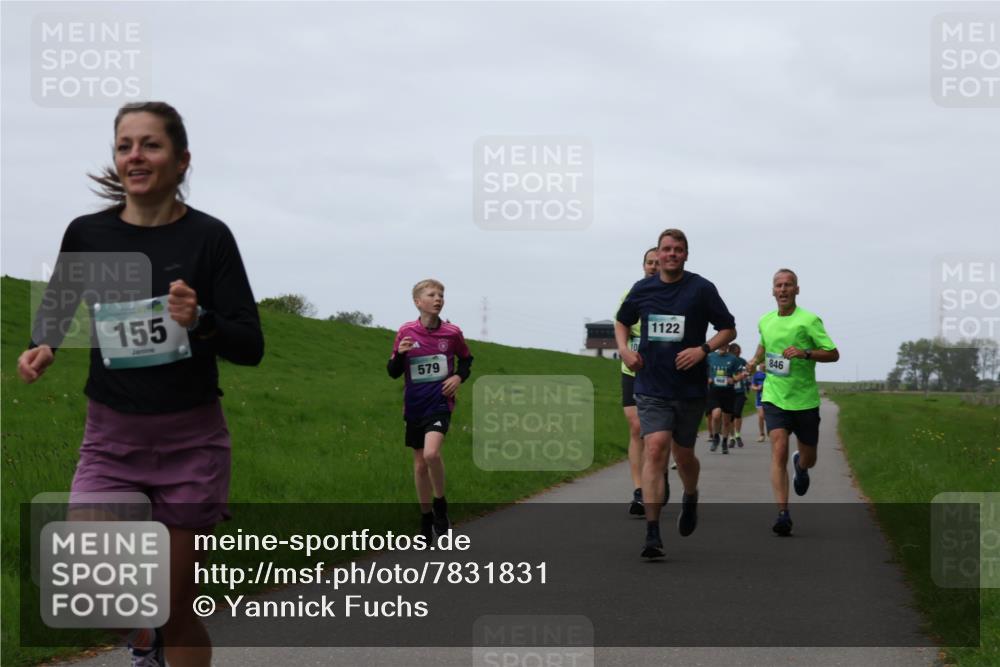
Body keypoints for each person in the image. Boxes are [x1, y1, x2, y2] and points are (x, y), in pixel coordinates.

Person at [18, 101, 264, 667]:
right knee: (98, 586)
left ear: (181, 160)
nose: (136, 155)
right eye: (125, 144)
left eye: (151, 144)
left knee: (178, 608)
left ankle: (161, 640)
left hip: (191, 445)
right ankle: (143, 640)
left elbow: (250, 344)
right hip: (111, 440)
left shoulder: (209, 238)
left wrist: (199, 320)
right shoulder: (89, 234)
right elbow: (58, 305)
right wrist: (44, 345)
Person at [616, 229, 736, 559]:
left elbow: (728, 327)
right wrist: (624, 350)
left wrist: (703, 349)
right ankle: (652, 532)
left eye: (678, 250)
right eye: (666, 249)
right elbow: (621, 321)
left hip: (689, 387)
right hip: (651, 385)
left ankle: (691, 493)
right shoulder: (643, 289)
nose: (671, 254)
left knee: (683, 456)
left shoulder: (701, 288)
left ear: (685, 255)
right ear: (659, 253)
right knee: (655, 447)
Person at [746, 269, 839, 536]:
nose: (783, 290)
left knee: (809, 456)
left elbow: (833, 354)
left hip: (805, 399)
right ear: (772, 291)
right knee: (778, 449)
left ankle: (801, 466)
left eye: (789, 285)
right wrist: (753, 361)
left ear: (797, 290)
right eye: (779, 285)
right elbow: (764, 346)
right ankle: (783, 513)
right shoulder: (765, 320)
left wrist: (806, 352)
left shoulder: (809, 321)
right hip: (774, 396)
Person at [387, 279, 473, 544]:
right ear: (418, 302)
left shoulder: (452, 333)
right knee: (419, 465)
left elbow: (467, 360)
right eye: (432, 294)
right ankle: (426, 519)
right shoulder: (406, 332)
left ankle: (440, 505)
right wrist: (400, 355)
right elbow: (392, 372)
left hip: (440, 403)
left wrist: (458, 377)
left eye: (441, 294)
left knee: (432, 453)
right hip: (414, 406)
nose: (438, 298)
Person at [623, 247, 667, 516]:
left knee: (659, 435)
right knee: (637, 425)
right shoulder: (633, 294)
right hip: (632, 371)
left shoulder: (669, 297)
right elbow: (621, 324)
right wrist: (626, 350)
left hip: (661, 374)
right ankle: (639, 490)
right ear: (643, 266)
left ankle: (659, 473)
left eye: (656, 263)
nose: (652, 266)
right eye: (648, 263)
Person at [705, 342, 740, 453]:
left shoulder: (733, 359)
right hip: (714, 391)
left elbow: (742, 373)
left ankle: (724, 441)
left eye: (724, 345)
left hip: (728, 392)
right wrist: (707, 379)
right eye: (720, 345)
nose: (722, 347)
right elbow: (702, 371)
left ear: (727, 346)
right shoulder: (710, 357)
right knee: (716, 415)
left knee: (726, 421)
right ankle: (716, 437)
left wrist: (734, 379)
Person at [729, 343, 749, 448]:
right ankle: (731, 437)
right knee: (730, 416)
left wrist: (748, 370)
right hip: (729, 392)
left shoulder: (742, 361)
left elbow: (749, 369)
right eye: (737, 352)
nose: (739, 353)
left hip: (740, 391)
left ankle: (738, 435)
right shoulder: (726, 360)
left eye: (739, 352)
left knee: (737, 413)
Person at [750, 363, 767, 441]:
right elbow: (752, 386)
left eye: (764, 363)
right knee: (761, 416)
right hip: (760, 398)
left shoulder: (771, 374)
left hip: (771, 398)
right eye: (761, 363)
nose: (763, 365)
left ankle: (771, 431)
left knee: (769, 416)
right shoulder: (756, 375)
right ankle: (762, 434)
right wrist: (757, 388)